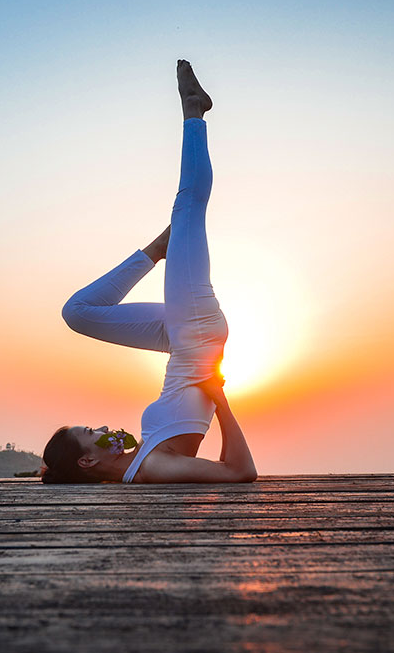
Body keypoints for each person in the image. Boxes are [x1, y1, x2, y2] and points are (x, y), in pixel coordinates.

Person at [42, 60, 257, 484]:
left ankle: (155, 251)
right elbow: (240, 473)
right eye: (91, 434)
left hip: (181, 339)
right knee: (187, 205)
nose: (102, 428)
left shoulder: (142, 457)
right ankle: (193, 112)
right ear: (88, 461)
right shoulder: (154, 467)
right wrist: (222, 401)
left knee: (77, 313)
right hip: (195, 334)